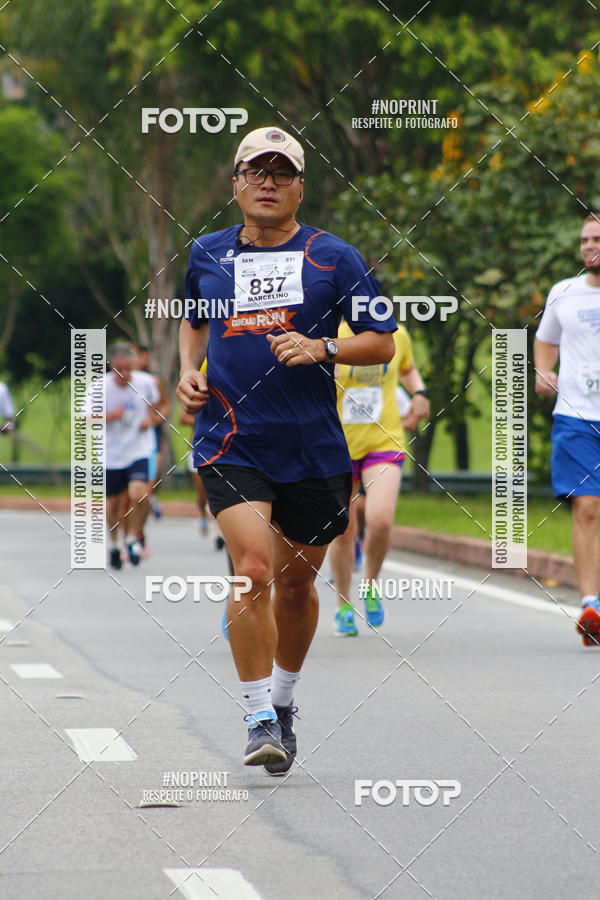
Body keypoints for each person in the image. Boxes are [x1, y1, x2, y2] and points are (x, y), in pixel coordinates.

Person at [176, 126, 396, 773]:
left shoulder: (333, 258)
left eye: (282, 172)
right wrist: (189, 372)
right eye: (256, 170)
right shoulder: (207, 254)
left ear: (301, 186)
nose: (268, 182)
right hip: (231, 440)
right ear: (236, 182)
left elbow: (381, 340)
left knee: (297, 587)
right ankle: (256, 718)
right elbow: (195, 319)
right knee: (252, 569)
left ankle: (284, 701)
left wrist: (322, 346)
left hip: (314, 448)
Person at [329, 321, 430, 635]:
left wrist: (420, 392)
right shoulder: (330, 333)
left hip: (384, 440)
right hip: (338, 442)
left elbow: (407, 368)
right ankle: (344, 604)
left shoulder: (396, 332)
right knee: (344, 530)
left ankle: (370, 585)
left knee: (381, 519)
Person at [534, 213, 600, 645]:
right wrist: (542, 370)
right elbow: (546, 340)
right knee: (588, 507)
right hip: (576, 417)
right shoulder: (565, 292)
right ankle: (591, 605)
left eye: (597, 239)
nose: (589, 246)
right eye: (584, 239)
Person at [100, 344, 161, 569]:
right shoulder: (100, 388)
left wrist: (152, 419)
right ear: (111, 367)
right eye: (119, 369)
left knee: (140, 494)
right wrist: (109, 416)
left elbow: (160, 405)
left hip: (139, 449)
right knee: (113, 505)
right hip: (111, 454)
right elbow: (84, 419)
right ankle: (115, 544)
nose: (124, 374)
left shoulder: (146, 382)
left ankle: (134, 538)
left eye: (128, 369)